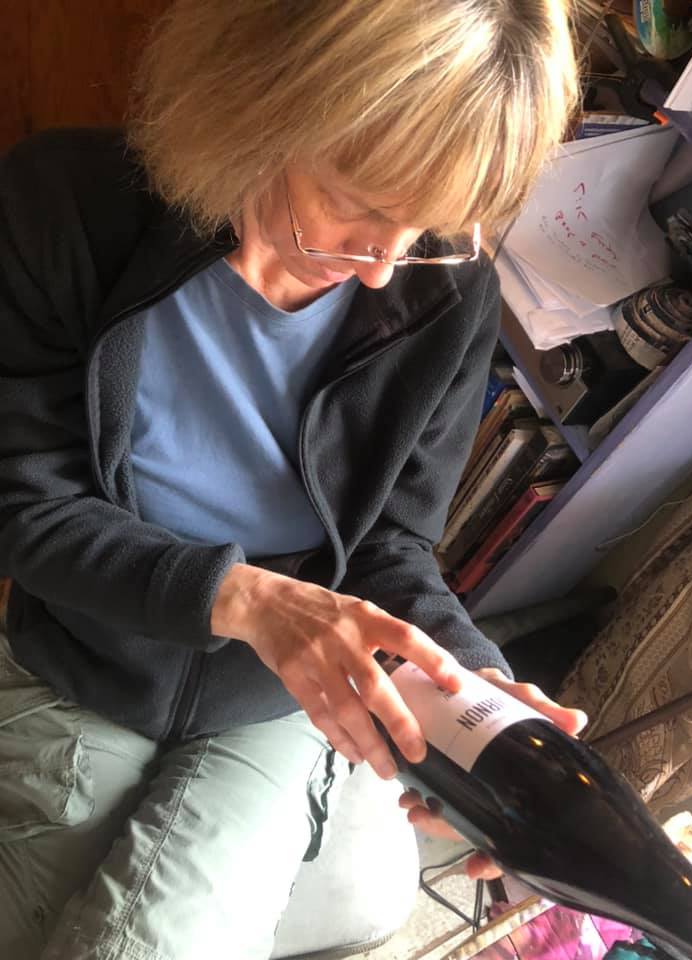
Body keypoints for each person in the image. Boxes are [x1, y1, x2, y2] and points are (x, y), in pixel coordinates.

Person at [0, 1, 586, 958]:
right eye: (361, 203)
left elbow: (391, 545)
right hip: (87, 657)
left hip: (278, 699)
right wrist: (242, 599)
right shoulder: (60, 207)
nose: (385, 267)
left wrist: (472, 690)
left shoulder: (448, 292)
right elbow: (28, 503)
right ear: (256, 107)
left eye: (429, 225)